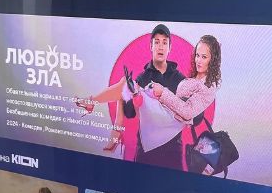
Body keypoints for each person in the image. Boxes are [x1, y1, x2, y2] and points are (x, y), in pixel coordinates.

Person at [73, 24, 187, 168]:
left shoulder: (180, 79)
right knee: (125, 85)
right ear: (151, 46)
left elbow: (189, 113)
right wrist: (134, 99)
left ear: (170, 47)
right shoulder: (142, 78)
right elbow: (130, 112)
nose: (161, 47)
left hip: (172, 151)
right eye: (157, 42)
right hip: (146, 152)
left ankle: (93, 103)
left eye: (165, 42)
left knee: (125, 85)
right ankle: (94, 104)